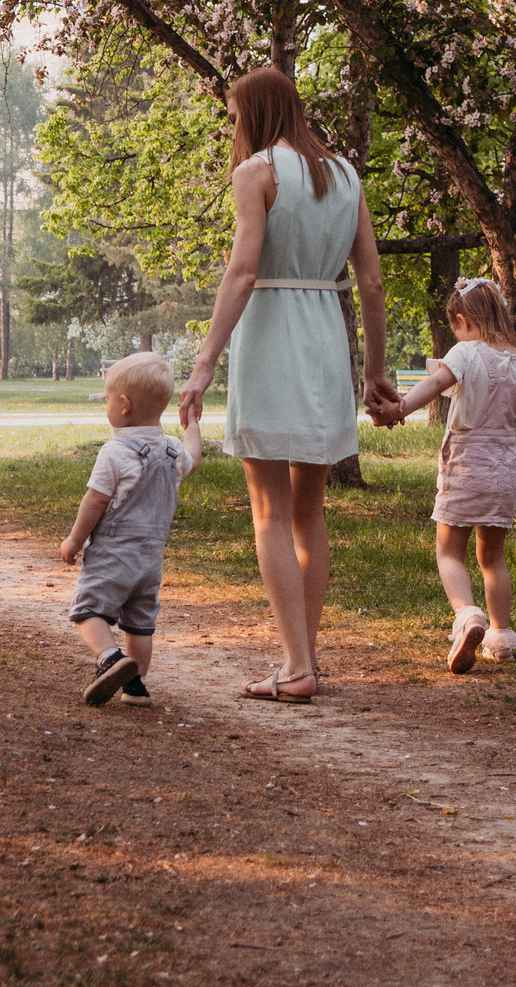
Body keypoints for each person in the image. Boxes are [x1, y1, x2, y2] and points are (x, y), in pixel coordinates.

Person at [176, 68, 394, 704]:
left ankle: (297, 666)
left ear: (254, 112)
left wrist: (204, 363)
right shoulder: (345, 174)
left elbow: (243, 273)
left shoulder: (257, 173)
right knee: (308, 511)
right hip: (326, 334)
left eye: (234, 116)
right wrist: (374, 372)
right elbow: (372, 282)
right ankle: (304, 656)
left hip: (271, 333)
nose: (233, 127)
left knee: (270, 510)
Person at [377, 278, 516, 672]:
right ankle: (501, 636)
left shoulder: (465, 353)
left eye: (455, 327)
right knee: (493, 557)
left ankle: (466, 615)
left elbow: (435, 383)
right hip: (503, 471)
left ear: (464, 321)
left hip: (465, 465)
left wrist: (398, 409)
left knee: (449, 551)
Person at [60, 352, 197, 708]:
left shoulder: (115, 452)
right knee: (140, 623)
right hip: (150, 560)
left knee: (87, 610)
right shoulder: (172, 449)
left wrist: (75, 540)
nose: (107, 406)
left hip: (113, 553)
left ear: (123, 404)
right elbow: (194, 460)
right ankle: (136, 687)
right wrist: (192, 426)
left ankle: (110, 659)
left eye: (108, 400)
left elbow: (95, 501)